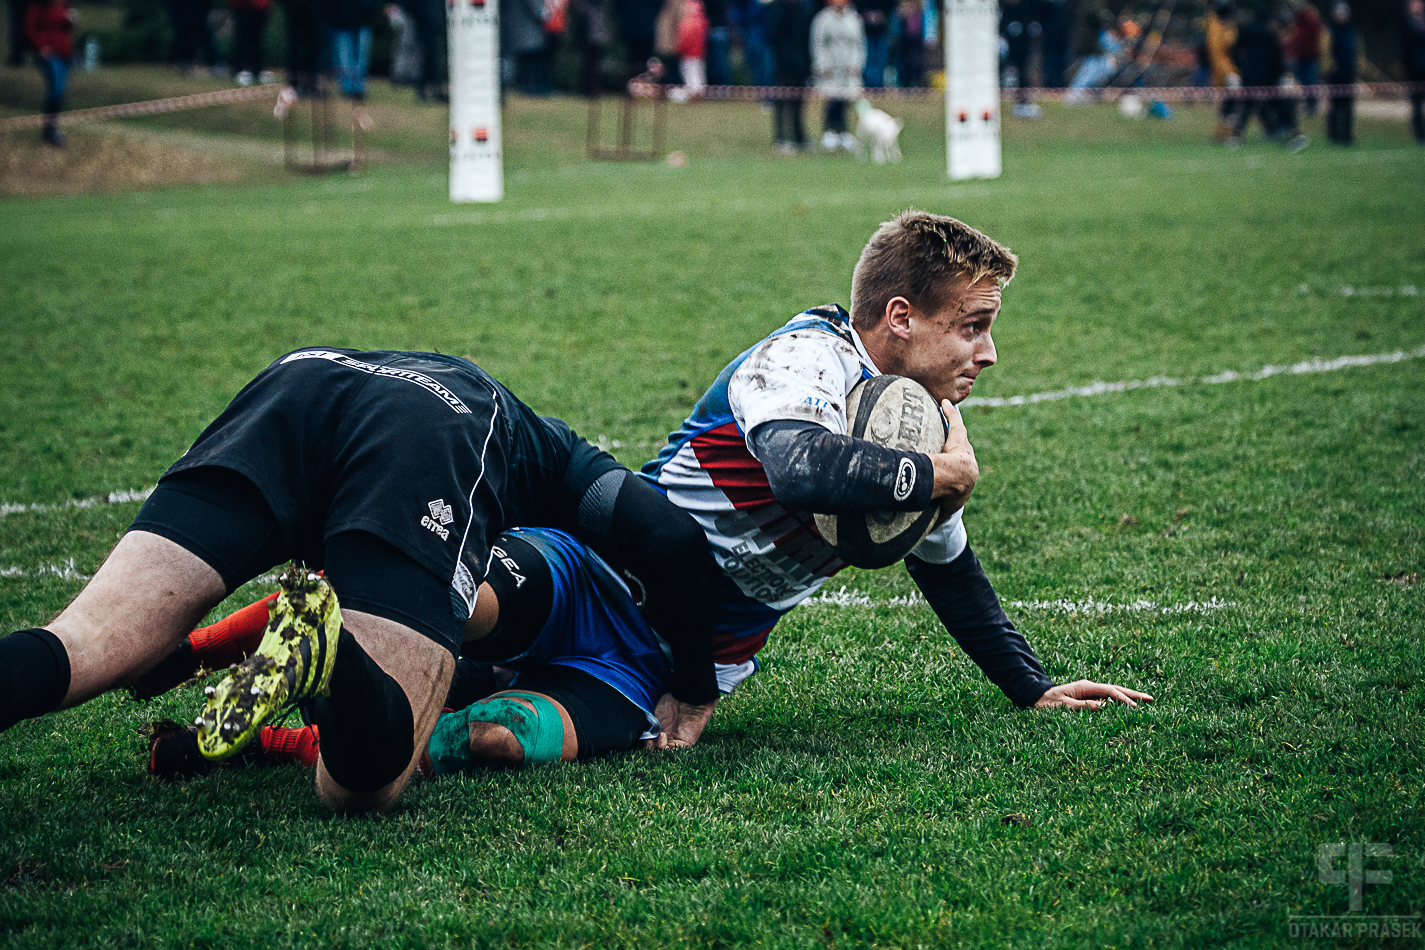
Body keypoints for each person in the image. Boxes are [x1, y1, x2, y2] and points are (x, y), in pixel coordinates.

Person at [0, 348, 719, 813]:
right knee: (365, 783)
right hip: (434, 428)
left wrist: (187, 652)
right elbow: (670, 538)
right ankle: (331, 654)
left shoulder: (541, 463)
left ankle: (306, 664)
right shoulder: (553, 459)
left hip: (299, 381)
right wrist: (696, 687)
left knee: (82, 642)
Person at [641, 211, 1153, 748]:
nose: (990, 354)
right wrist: (934, 477)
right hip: (618, 584)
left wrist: (1033, 687)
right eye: (972, 327)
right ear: (901, 318)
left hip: (689, 670)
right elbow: (802, 470)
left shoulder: (914, 421)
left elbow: (950, 574)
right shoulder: (807, 356)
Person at [146, 527, 675, 780]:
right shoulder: (739, 424)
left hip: (627, 675)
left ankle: (268, 741)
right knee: (429, 593)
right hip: (580, 575)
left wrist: (694, 691)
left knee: (499, 740)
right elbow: (666, 531)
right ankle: (186, 655)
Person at [1229, 3, 1308, 150]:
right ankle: (1295, 134)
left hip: (1250, 74)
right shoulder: (1270, 33)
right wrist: (1283, 72)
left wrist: (1241, 66)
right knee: (1281, 105)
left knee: (1247, 106)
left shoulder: (1247, 30)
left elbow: (1235, 50)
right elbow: (1276, 57)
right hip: (1269, 76)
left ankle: (1236, 137)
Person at [810, 0, 864, 150]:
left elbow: (859, 44)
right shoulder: (822, 19)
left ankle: (844, 132)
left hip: (848, 67)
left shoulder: (854, 18)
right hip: (830, 67)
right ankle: (830, 131)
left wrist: (856, 64)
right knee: (831, 99)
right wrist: (821, 64)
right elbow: (817, 43)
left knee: (846, 100)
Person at [22, 0, 72, 147]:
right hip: (49, 54)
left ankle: (52, 129)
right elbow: (29, 27)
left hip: (64, 53)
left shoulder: (63, 3)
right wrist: (40, 46)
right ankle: (49, 131)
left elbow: (66, 28)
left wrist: (70, 21)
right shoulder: (38, 4)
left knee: (60, 91)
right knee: (55, 90)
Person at [768, 0, 811, 152]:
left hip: (801, 64)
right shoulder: (778, 10)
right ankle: (781, 138)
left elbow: (807, 39)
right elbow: (774, 38)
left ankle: (799, 137)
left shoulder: (804, 10)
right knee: (781, 102)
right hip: (783, 65)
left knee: (799, 103)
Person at [1205, 0, 1239, 141]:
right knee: (1229, 106)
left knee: (1227, 106)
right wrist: (1230, 73)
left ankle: (1223, 133)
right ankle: (1224, 134)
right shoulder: (1219, 28)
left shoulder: (1214, 24)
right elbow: (1225, 49)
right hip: (1228, 72)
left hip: (1225, 71)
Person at [1284, 0, 1323, 116]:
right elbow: (1294, 39)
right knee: (1299, 81)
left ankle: (1312, 104)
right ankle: (1301, 103)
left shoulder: (1312, 20)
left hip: (1311, 57)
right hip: (1300, 57)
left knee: (1309, 81)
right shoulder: (1297, 22)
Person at [1325, 0, 1356, 144]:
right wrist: (1332, 68)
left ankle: (1347, 135)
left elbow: (1357, 51)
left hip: (1349, 72)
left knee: (1348, 107)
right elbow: (1325, 52)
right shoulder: (1330, 32)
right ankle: (1334, 135)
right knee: (1335, 106)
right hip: (1335, 74)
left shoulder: (1351, 31)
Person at [1401, 0, 1425, 143]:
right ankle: (1419, 135)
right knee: (1416, 105)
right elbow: (1405, 48)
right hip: (1414, 70)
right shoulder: (1407, 24)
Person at [857, 0, 893, 87]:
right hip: (865, 31)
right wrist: (866, 14)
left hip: (882, 31)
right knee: (866, 62)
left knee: (880, 62)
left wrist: (883, 15)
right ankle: (867, 88)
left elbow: (891, 5)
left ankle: (878, 89)